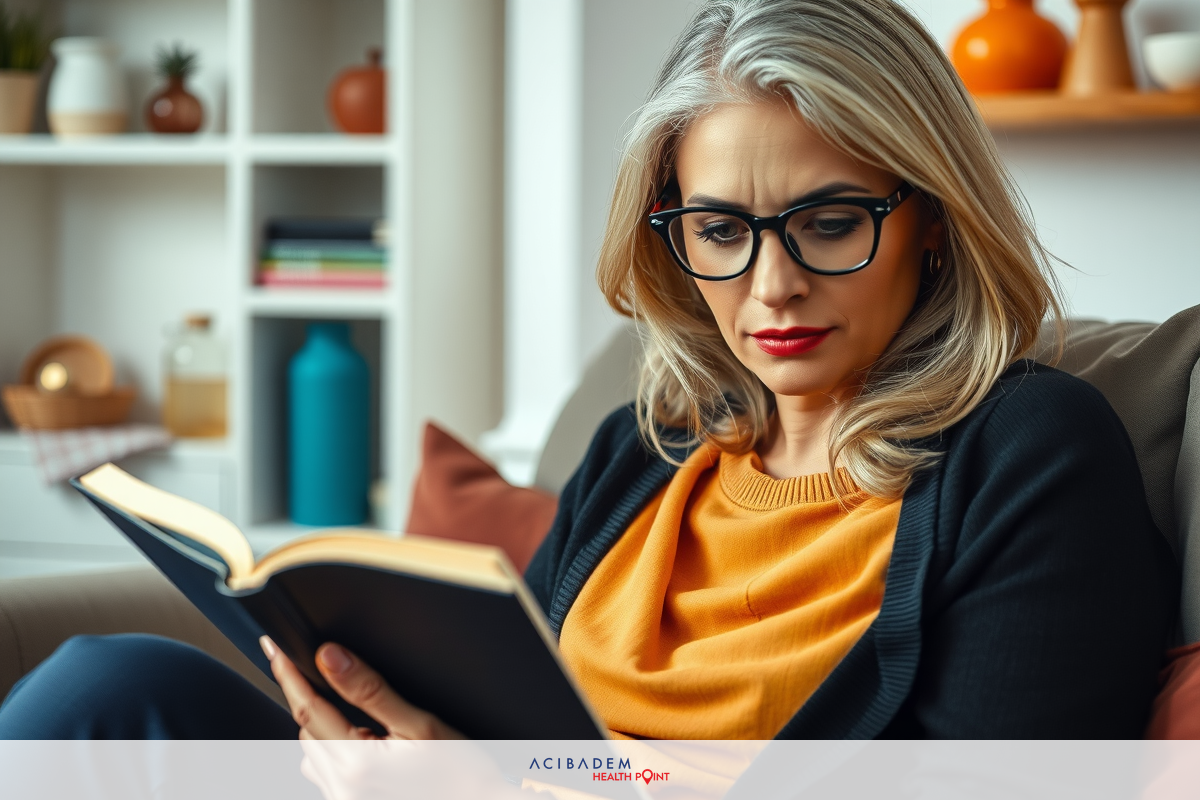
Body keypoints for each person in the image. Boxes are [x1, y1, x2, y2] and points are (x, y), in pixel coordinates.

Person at [0, 0, 1178, 758]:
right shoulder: (645, 447)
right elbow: (524, 731)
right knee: (108, 688)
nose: (770, 286)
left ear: (933, 219)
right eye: (719, 229)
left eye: (828, 220)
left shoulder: (1029, 452)